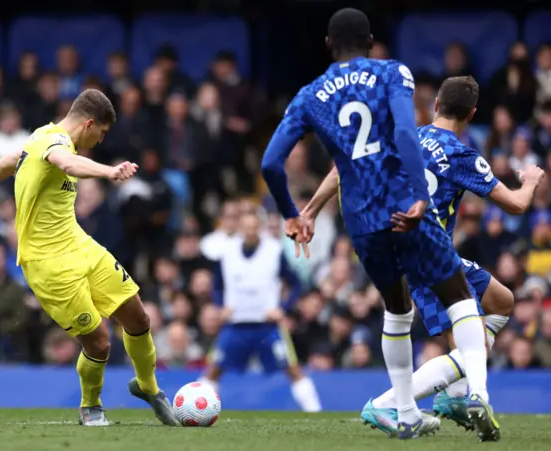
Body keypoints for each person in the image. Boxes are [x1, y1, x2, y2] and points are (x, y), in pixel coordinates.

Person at [260, 8, 495, 440]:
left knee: (397, 309)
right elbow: (406, 134)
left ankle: (405, 412)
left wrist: (293, 214)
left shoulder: (310, 95)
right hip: (403, 207)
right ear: (370, 40)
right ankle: (477, 392)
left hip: (362, 219)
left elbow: (271, 162)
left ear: (328, 44)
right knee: (458, 293)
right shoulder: (392, 73)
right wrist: (420, 197)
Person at [299, 76, 546, 436]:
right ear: (472, 114)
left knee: (502, 302)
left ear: (435, 106)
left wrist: (309, 211)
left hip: (404, 249)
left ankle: (456, 394)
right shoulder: (463, 155)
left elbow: (341, 169)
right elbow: (517, 205)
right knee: (468, 338)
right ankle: (388, 404)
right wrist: (533, 180)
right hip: (428, 256)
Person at [0, 89, 178, 427]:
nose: (100, 141)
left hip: (79, 246)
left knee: (138, 317)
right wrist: (108, 172)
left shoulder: (37, 138)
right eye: (101, 133)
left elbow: (7, 162)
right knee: (100, 343)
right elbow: (66, 162)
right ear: (89, 123)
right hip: (47, 263)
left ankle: (148, 387)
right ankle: (91, 406)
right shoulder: (55, 143)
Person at [199, 212, 322, 412]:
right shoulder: (227, 252)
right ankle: (198, 407)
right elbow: (217, 285)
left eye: (253, 227)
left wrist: (283, 309)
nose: (249, 231)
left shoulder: (273, 251)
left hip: (267, 324)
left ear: (260, 228)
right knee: (214, 368)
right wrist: (221, 306)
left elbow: (295, 283)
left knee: (292, 368)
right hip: (235, 322)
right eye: (246, 227)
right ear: (240, 228)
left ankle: (315, 410)